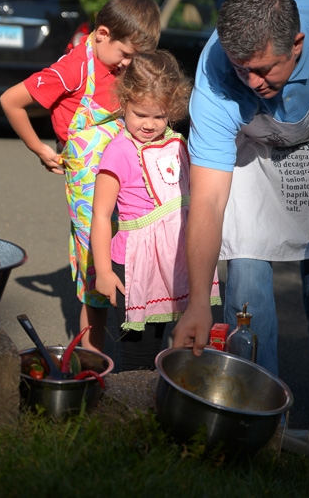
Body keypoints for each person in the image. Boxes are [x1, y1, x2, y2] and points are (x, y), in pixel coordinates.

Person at [172, 0, 309, 451]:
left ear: (298, 44)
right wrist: (195, 306)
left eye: (263, 70)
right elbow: (208, 202)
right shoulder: (214, 78)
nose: (251, 82)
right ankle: (258, 417)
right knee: (247, 285)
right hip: (252, 152)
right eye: (241, 70)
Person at [0, 0, 161, 353]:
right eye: (125, 55)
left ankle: (140, 350)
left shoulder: (117, 60)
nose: (126, 65)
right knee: (95, 269)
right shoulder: (74, 68)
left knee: (136, 253)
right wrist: (39, 148)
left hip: (124, 172)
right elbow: (10, 100)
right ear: (102, 34)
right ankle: (93, 361)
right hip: (88, 185)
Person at [91, 50, 221, 371]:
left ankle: (165, 407)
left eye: (159, 116)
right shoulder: (118, 152)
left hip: (176, 258)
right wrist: (104, 271)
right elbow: (100, 216)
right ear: (124, 104)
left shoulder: (178, 143)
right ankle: (134, 414)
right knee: (139, 350)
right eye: (140, 114)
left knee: (179, 341)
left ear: (173, 111)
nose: (149, 125)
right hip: (136, 264)